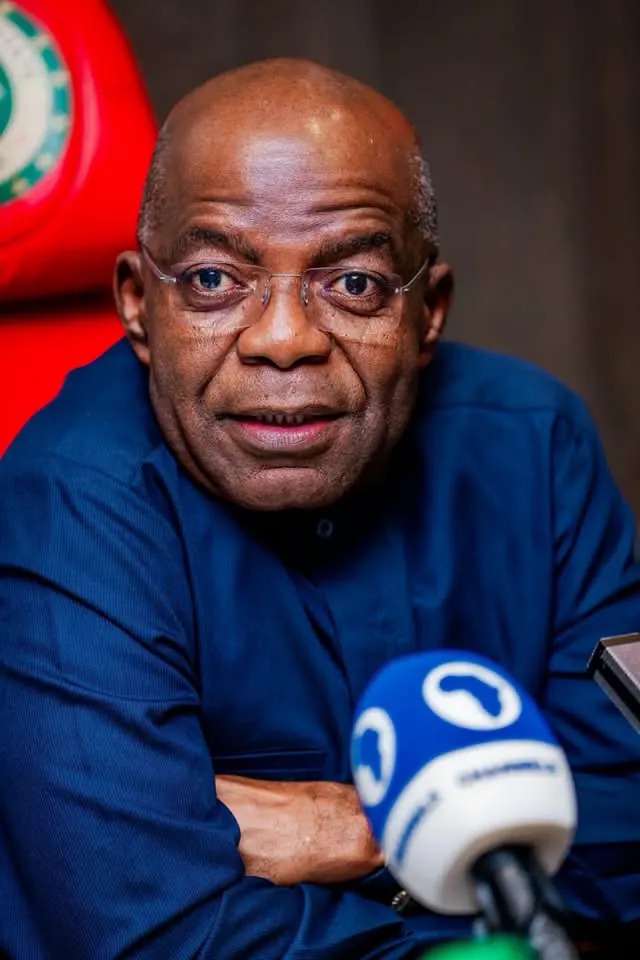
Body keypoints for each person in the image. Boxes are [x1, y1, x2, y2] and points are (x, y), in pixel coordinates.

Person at [0, 58, 639, 960]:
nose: (284, 339)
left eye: (355, 284)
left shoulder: (534, 445)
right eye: (214, 280)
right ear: (138, 306)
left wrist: (372, 833)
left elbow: (618, 858)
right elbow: (156, 934)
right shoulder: (69, 502)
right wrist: (486, 863)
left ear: (428, 313)